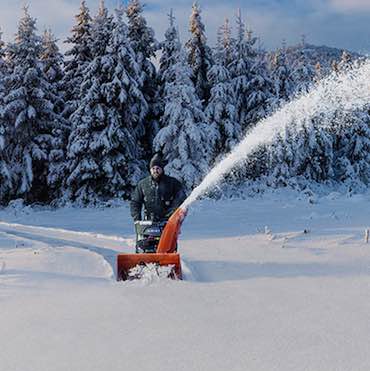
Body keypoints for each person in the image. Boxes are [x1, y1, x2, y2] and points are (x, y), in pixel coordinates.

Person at [130, 153, 186, 222]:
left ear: (162, 169)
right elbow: (135, 202)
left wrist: (172, 212)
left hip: (168, 222)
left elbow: (181, 197)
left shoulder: (172, 182)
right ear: (150, 170)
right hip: (149, 223)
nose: (155, 171)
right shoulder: (143, 184)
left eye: (158, 168)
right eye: (153, 168)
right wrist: (137, 218)